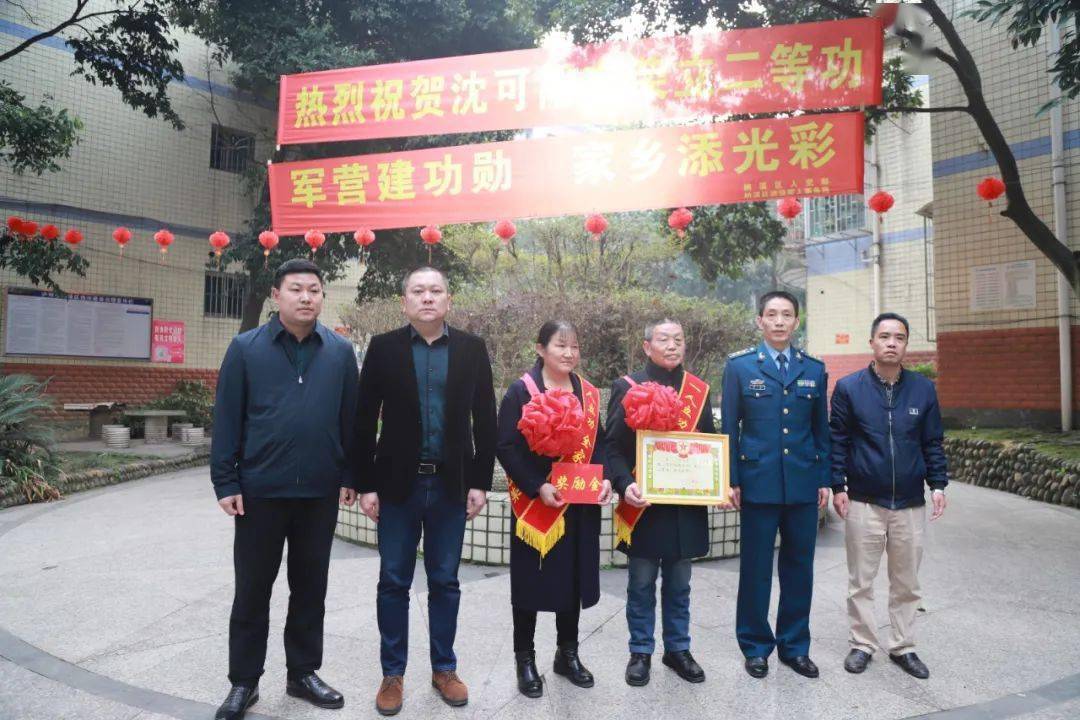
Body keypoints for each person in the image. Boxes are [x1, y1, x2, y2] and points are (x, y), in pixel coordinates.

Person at [210, 258, 358, 719]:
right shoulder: (246, 349)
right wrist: (226, 480)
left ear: (322, 297)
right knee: (252, 589)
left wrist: (351, 475)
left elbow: (351, 420)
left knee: (310, 587)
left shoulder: (339, 352)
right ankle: (244, 681)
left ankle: (303, 673)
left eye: (314, 290)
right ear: (277, 296)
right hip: (260, 491)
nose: (306, 297)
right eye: (296, 289)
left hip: (318, 491)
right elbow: (227, 417)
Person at [347, 266, 496, 716]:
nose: (427, 297)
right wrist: (365, 483)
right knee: (393, 580)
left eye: (435, 291)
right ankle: (392, 674)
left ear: (448, 300)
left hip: (450, 485)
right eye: (418, 291)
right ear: (404, 301)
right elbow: (363, 418)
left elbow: (485, 418)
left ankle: (444, 669)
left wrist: (479, 480)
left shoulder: (471, 348)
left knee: (445, 580)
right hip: (397, 485)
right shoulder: (384, 348)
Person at [496, 320, 613, 698]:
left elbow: (601, 444)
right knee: (529, 584)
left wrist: (605, 478)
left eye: (574, 346)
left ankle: (568, 654)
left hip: (578, 506)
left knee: (572, 582)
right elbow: (506, 447)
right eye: (560, 345)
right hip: (538, 504)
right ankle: (525, 659)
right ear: (540, 349)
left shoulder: (588, 393)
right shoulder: (521, 390)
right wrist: (538, 485)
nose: (569, 353)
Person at [829, 312, 948, 680]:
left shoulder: (923, 390)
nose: (892, 343)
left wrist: (938, 485)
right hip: (864, 500)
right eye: (885, 336)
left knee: (907, 582)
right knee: (860, 581)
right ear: (872, 342)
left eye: (899, 337)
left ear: (906, 344)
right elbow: (838, 441)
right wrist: (838, 487)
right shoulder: (849, 388)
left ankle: (903, 646)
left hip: (909, 503)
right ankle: (862, 643)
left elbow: (932, 441)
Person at [722, 290, 830, 680]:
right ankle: (755, 646)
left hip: (802, 483)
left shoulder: (813, 369)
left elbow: (821, 430)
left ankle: (795, 646)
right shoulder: (740, 367)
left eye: (787, 315)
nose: (779, 321)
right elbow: (729, 427)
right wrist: (731, 479)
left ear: (796, 322)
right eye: (772, 314)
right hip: (758, 482)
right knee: (755, 569)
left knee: (799, 568)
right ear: (760, 321)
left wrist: (824, 479)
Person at [603, 319, 717, 687]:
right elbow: (612, 447)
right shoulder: (628, 386)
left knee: (680, 583)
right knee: (641, 582)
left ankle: (678, 649)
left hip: (685, 505)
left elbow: (709, 444)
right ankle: (640, 651)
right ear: (646, 346)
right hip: (644, 506)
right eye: (664, 339)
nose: (672, 345)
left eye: (678, 339)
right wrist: (625, 484)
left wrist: (718, 484)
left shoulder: (697, 390)